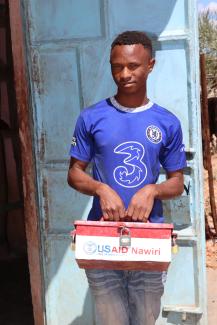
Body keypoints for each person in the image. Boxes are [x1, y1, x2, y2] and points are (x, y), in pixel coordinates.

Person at [68, 31, 186, 325]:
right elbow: (74, 173)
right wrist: (100, 188)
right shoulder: (91, 117)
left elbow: (176, 182)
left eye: (133, 66)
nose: (124, 74)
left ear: (151, 65)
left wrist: (152, 191)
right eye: (116, 66)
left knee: (145, 321)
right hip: (101, 240)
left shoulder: (167, 122)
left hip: (149, 239)